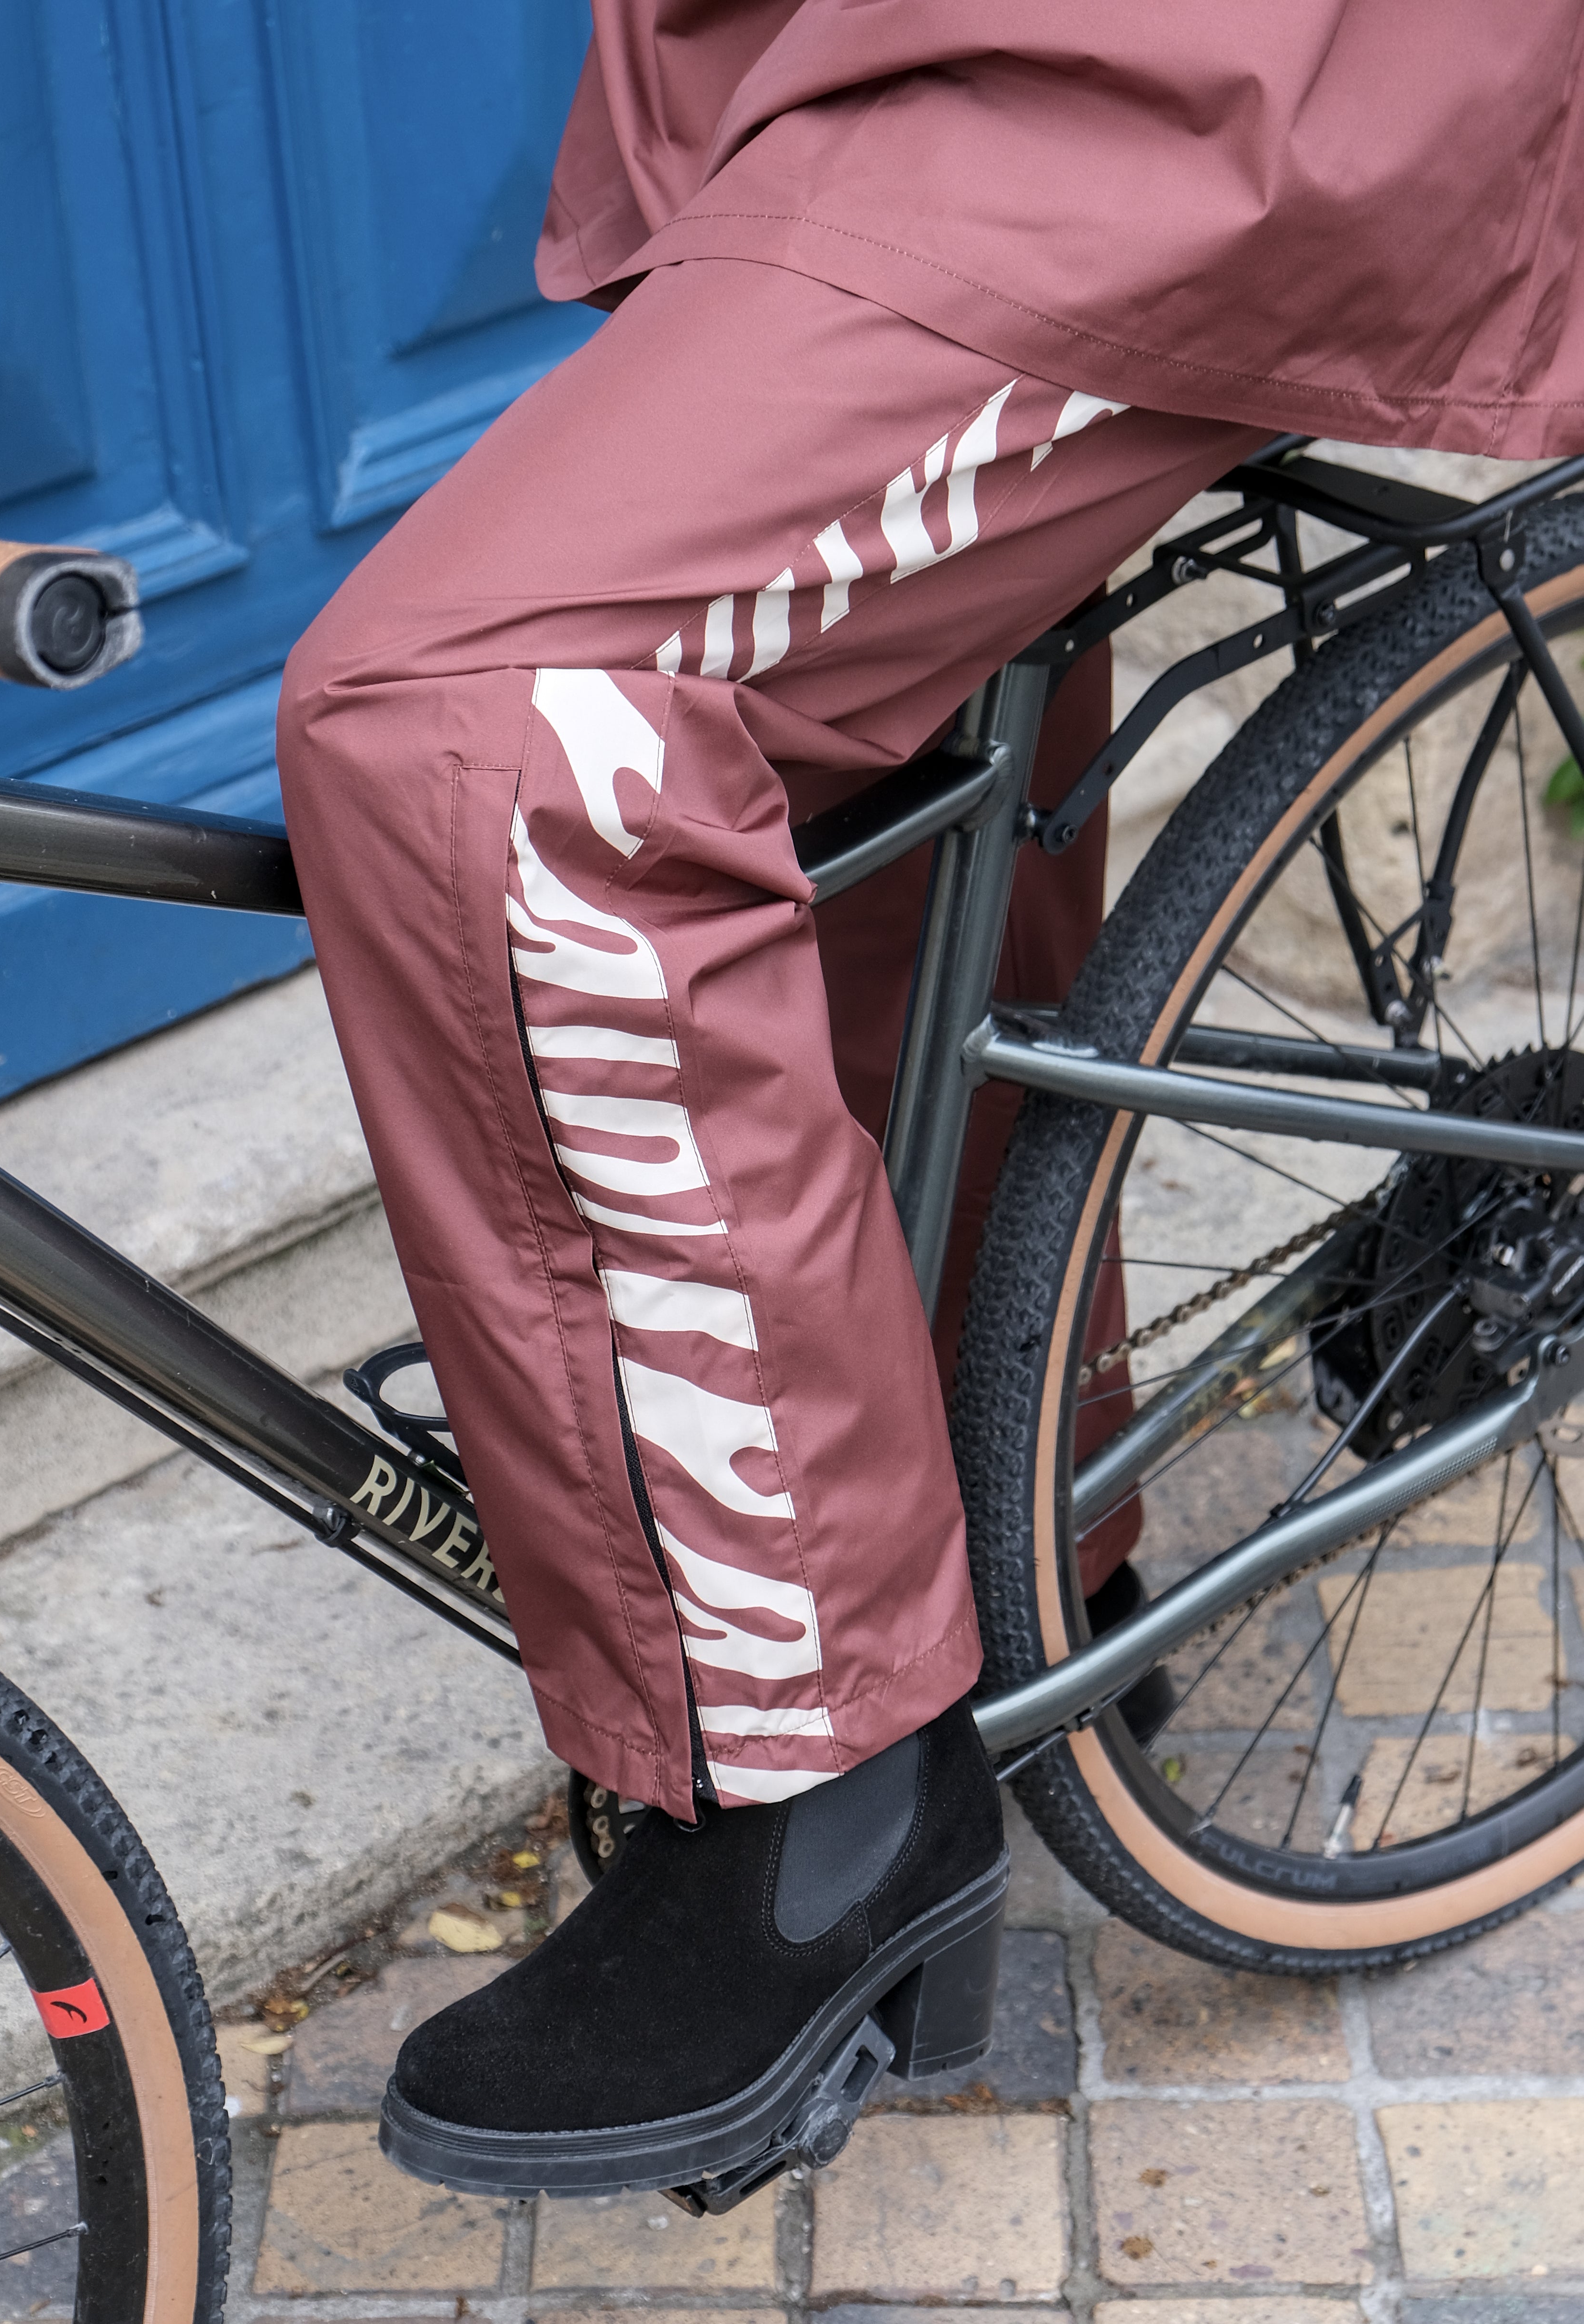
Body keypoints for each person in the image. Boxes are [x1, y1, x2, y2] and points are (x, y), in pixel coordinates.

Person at [278, 2, 1584, 2197]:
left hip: (1168, 75)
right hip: (852, 63)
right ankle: (1009, 1542)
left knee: (499, 729)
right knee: (857, 774)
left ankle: (826, 1785)